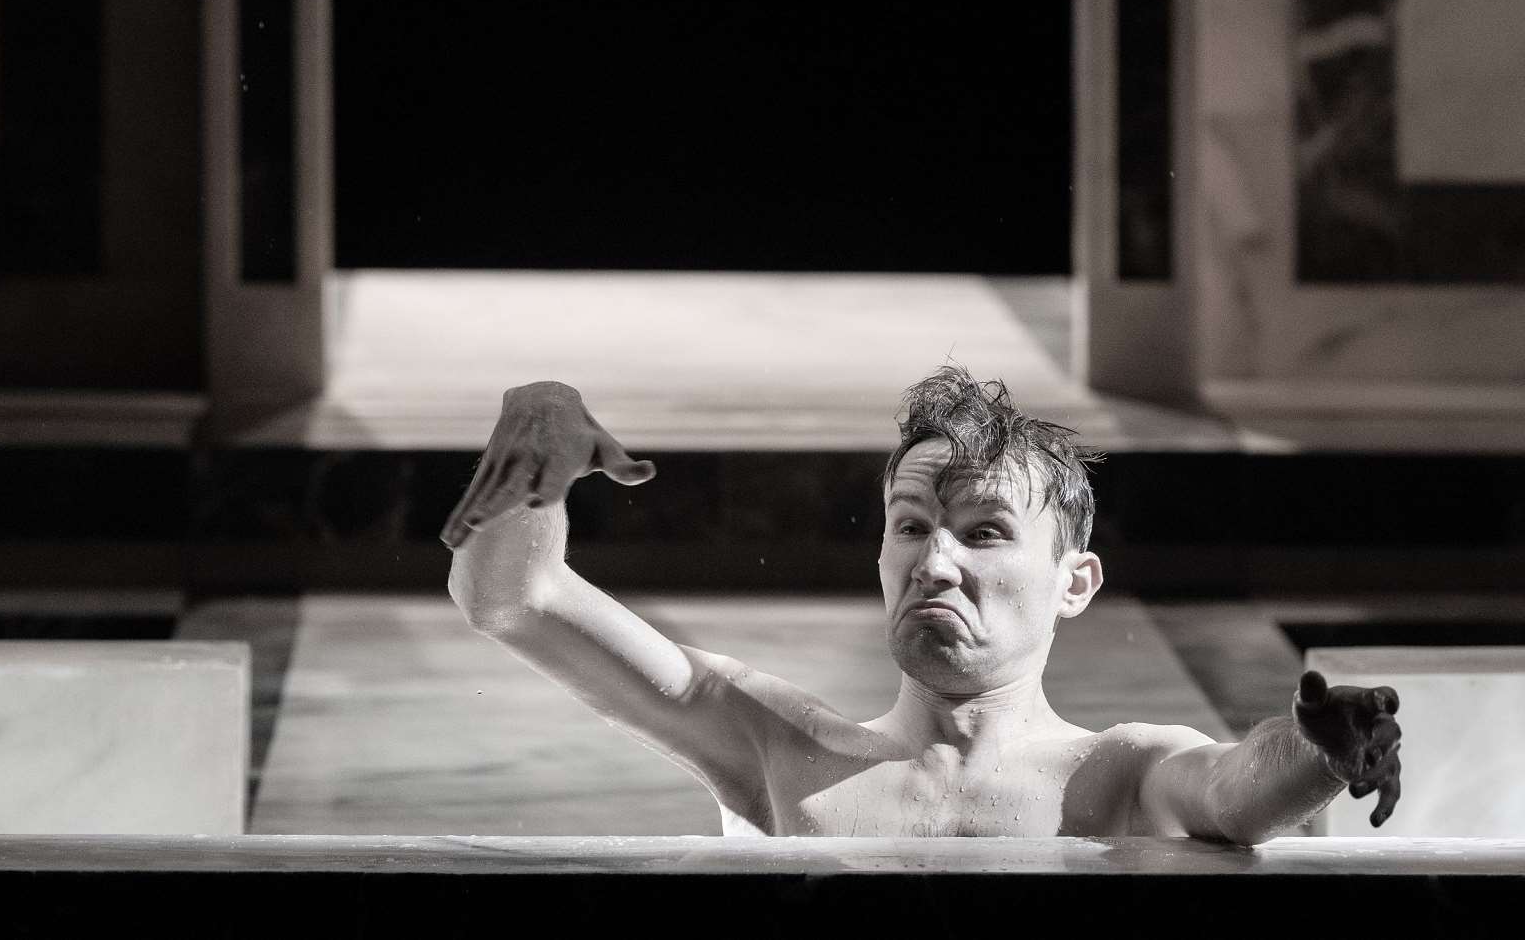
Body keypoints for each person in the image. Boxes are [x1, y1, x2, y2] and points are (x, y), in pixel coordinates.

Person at [440, 365, 1402, 842]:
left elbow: (1232, 789)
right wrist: (543, 427)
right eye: (910, 526)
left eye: (983, 533)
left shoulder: (1122, 774)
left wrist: (1319, 747)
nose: (934, 561)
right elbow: (515, 600)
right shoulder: (783, 751)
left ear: (1074, 583)